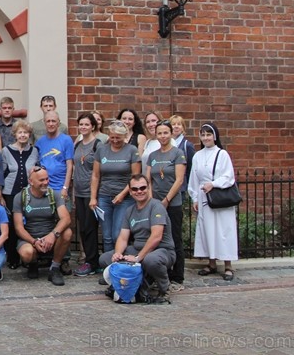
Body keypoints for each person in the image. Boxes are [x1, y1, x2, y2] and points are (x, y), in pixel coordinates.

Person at [98, 174, 176, 304]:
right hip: (137, 249)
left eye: (142, 187)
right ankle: (123, 286)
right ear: (130, 191)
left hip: (161, 250)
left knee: (151, 260)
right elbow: (123, 237)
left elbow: (156, 237)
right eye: (135, 189)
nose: (139, 191)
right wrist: (117, 254)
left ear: (148, 188)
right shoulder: (130, 210)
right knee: (105, 259)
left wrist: (138, 257)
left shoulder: (156, 206)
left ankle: (164, 288)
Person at [189, 122, 238, 281]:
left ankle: (228, 265)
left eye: (208, 134)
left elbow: (228, 176)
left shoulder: (222, 154)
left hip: (220, 196)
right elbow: (194, 179)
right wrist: (195, 197)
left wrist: (214, 184)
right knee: (207, 230)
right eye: (202, 135)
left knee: (224, 231)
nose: (205, 138)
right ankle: (211, 263)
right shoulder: (197, 156)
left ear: (215, 136)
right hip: (204, 198)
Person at [13, 166, 72, 285]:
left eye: (47, 179)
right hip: (31, 239)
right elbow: (18, 228)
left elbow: (66, 219)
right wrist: (34, 241)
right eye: (41, 180)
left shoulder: (53, 194)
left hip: (51, 237)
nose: (45, 182)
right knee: (26, 253)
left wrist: (52, 235)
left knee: (68, 233)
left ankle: (54, 268)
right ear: (31, 182)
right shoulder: (21, 197)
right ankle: (33, 263)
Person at [146, 120, 187, 292]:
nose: (163, 136)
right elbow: (148, 180)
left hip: (172, 203)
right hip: (155, 204)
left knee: (174, 239)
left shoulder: (177, 153)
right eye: (160, 133)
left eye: (165, 133)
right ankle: (161, 273)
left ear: (171, 134)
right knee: (157, 238)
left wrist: (167, 200)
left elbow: (179, 179)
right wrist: (151, 200)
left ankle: (177, 277)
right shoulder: (153, 156)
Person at [89, 121, 141, 254]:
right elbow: (95, 175)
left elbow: (135, 177)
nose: (115, 140)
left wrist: (122, 194)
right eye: (112, 137)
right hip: (104, 196)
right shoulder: (102, 150)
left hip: (125, 198)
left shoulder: (132, 150)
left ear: (124, 136)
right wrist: (93, 197)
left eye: (118, 137)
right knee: (106, 235)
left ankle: (119, 262)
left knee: (117, 234)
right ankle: (108, 266)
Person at [0, 120, 40, 269]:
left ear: (29, 135)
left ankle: (28, 256)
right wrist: (0, 192)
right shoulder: (6, 151)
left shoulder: (34, 151)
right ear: (15, 134)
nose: (23, 135)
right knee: (12, 225)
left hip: (29, 193)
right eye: (20, 132)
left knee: (28, 222)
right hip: (10, 193)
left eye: (25, 132)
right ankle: (12, 258)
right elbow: (2, 172)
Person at [72, 113, 103, 277]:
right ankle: (92, 260)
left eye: (86, 124)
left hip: (92, 193)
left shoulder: (98, 144)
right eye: (81, 124)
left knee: (91, 228)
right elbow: (76, 169)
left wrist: (94, 196)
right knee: (82, 228)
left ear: (93, 126)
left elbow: (98, 172)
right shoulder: (77, 144)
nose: (83, 127)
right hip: (79, 192)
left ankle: (92, 262)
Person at [34, 111, 74, 203]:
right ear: (44, 123)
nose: (51, 124)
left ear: (58, 123)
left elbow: (70, 166)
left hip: (60, 187)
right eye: (48, 121)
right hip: (43, 187)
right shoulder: (40, 142)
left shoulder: (66, 140)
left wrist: (65, 187)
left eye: (53, 121)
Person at [170, 114, 196, 200]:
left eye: (179, 124)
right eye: (173, 124)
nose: (176, 127)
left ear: (183, 128)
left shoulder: (187, 145)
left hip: (181, 188)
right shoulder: (165, 144)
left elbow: (191, 167)